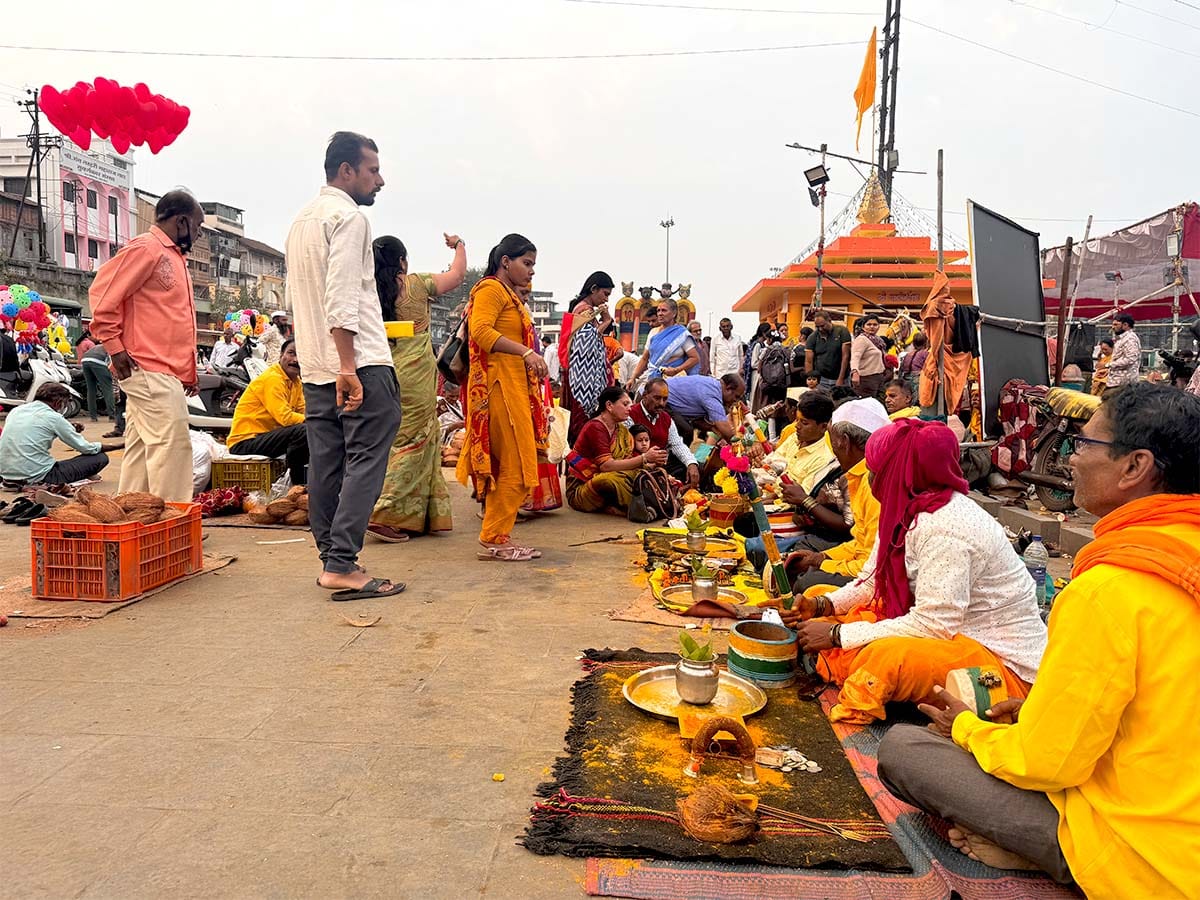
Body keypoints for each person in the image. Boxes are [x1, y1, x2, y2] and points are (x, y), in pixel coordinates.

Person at [878, 384, 1200, 897]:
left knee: (904, 747)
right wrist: (1033, 716)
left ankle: (1051, 854)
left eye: (1084, 445)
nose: (1070, 460)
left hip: (1145, 855)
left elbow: (1050, 763)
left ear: (1135, 466)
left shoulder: (1110, 589)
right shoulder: (1178, 553)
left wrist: (967, 730)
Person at [780, 418, 1047, 726]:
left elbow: (935, 624)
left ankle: (866, 692)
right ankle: (849, 667)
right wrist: (822, 605)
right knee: (814, 593)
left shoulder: (947, 526)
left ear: (900, 473)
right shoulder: (902, 504)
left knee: (884, 660)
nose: (868, 479)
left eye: (875, 472)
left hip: (996, 660)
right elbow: (871, 582)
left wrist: (838, 635)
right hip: (945, 633)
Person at [286, 131, 403, 599]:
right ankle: (340, 563)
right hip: (359, 365)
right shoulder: (348, 218)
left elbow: (301, 301)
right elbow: (340, 298)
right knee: (365, 460)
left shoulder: (301, 222)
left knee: (327, 463)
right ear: (346, 171)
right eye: (372, 170)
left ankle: (330, 557)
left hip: (316, 368)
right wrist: (350, 367)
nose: (380, 180)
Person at [89, 189, 201, 503]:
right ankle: (170, 522)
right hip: (147, 366)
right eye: (197, 226)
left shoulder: (175, 257)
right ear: (181, 222)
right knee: (172, 446)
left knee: (141, 447)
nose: (198, 233)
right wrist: (114, 346)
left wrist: (187, 374)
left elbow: (171, 319)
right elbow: (103, 295)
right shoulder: (146, 249)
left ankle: (131, 515)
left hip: (161, 371)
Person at [455, 234, 550, 561]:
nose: (531, 271)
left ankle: (498, 534)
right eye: (527, 263)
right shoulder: (491, 290)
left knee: (518, 462)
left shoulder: (508, 294)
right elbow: (481, 331)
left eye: (533, 265)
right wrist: (526, 352)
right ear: (505, 261)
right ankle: (495, 538)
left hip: (513, 389)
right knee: (514, 462)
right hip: (498, 390)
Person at [367, 233, 466, 542]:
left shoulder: (369, 291)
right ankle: (384, 514)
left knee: (397, 438)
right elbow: (457, 275)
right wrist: (459, 246)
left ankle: (416, 517)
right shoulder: (416, 284)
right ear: (402, 261)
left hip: (383, 369)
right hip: (416, 373)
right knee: (416, 440)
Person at [783, 398, 888, 593]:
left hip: (875, 577)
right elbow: (859, 543)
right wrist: (821, 558)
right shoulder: (858, 474)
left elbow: (870, 564)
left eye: (832, 441)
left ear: (845, 442)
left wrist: (823, 564)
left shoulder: (873, 484)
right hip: (850, 555)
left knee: (807, 584)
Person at [745, 391, 845, 566]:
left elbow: (794, 497)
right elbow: (771, 465)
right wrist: (761, 464)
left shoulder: (824, 458)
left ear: (823, 427)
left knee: (746, 523)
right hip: (774, 501)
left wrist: (766, 494)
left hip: (791, 514)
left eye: (804, 423)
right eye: (797, 420)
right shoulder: (794, 438)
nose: (797, 426)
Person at [566, 386, 668, 514]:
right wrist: (644, 458)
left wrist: (651, 464)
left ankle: (630, 504)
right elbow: (606, 466)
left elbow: (628, 460)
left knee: (651, 473)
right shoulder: (595, 427)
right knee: (606, 481)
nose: (629, 408)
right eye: (625, 404)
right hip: (582, 486)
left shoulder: (621, 430)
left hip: (613, 474)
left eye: (630, 404)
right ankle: (638, 507)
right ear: (609, 405)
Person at [0, 383, 118, 485]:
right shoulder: (54, 417)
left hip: (6, 474)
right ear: (58, 402)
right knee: (100, 457)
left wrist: (68, 427)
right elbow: (86, 448)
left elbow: (37, 428)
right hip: (40, 476)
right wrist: (121, 445)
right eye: (64, 404)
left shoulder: (17, 411)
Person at [227, 339, 308, 486]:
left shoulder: (296, 383)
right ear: (281, 355)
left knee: (313, 431)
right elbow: (285, 418)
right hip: (244, 443)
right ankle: (297, 485)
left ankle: (303, 483)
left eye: (300, 356)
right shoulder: (273, 378)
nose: (295, 360)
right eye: (291, 353)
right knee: (304, 431)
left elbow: (303, 412)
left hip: (263, 437)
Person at [561, 271, 616, 444]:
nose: (606, 300)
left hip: (577, 379)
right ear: (594, 289)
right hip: (583, 383)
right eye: (605, 294)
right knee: (582, 430)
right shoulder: (585, 310)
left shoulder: (582, 309)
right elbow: (585, 345)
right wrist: (606, 322)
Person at [628, 377, 699, 487]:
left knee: (695, 468)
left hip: (661, 466)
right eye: (657, 398)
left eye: (665, 399)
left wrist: (691, 463)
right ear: (645, 395)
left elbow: (677, 444)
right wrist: (645, 459)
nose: (661, 403)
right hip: (637, 466)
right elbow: (626, 451)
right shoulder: (630, 415)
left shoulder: (666, 418)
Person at [628, 298, 700, 385]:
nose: (660, 314)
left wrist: (676, 370)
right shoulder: (653, 332)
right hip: (653, 377)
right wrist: (633, 377)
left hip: (674, 379)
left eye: (664, 310)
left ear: (674, 313)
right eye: (658, 311)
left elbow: (695, 358)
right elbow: (644, 358)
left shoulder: (682, 334)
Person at [664, 372, 745, 447]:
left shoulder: (713, 386)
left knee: (687, 429)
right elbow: (724, 428)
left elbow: (698, 422)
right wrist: (738, 446)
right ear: (728, 389)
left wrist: (714, 429)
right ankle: (674, 462)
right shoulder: (713, 394)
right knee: (686, 431)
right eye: (736, 397)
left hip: (668, 401)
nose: (736, 401)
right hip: (663, 401)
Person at [805, 310, 852, 390]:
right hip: (822, 379)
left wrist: (840, 379)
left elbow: (846, 357)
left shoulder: (842, 331)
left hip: (841, 377)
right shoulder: (812, 337)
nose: (820, 329)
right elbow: (808, 361)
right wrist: (811, 381)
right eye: (817, 326)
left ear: (829, 321)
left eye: (822, 326)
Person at [850, 314, 888, 398]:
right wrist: (855, 372)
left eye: (875, 325)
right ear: (863, 327)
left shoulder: (878, 340)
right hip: (866, 379)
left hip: (879, 378)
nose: (872, 327)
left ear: (879, 326)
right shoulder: (861, 339)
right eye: (869, 324)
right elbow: (855, 357)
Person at [80, 341, 117, 423]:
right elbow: (112, 362)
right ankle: (112, 416)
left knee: (91, 389)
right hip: (98, 361)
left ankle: (93, 416)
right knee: (107, 389)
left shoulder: (99, 346)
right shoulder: (113, 346)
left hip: (85, 360)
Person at [1104, 312, 1141, 393]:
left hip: (1124, 384)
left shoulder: (1130, 339)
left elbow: (1131, 359)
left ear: (1125, 325)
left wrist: (1108, 365)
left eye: (1116, 325)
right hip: (1117, 383)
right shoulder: (1122, 339)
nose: (1113, 327)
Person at [899, 330, 928, 396]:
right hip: (917, 380)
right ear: (926, 342)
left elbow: (902, 369)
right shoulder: (925, 354)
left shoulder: (908, 354)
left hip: (906, 378)